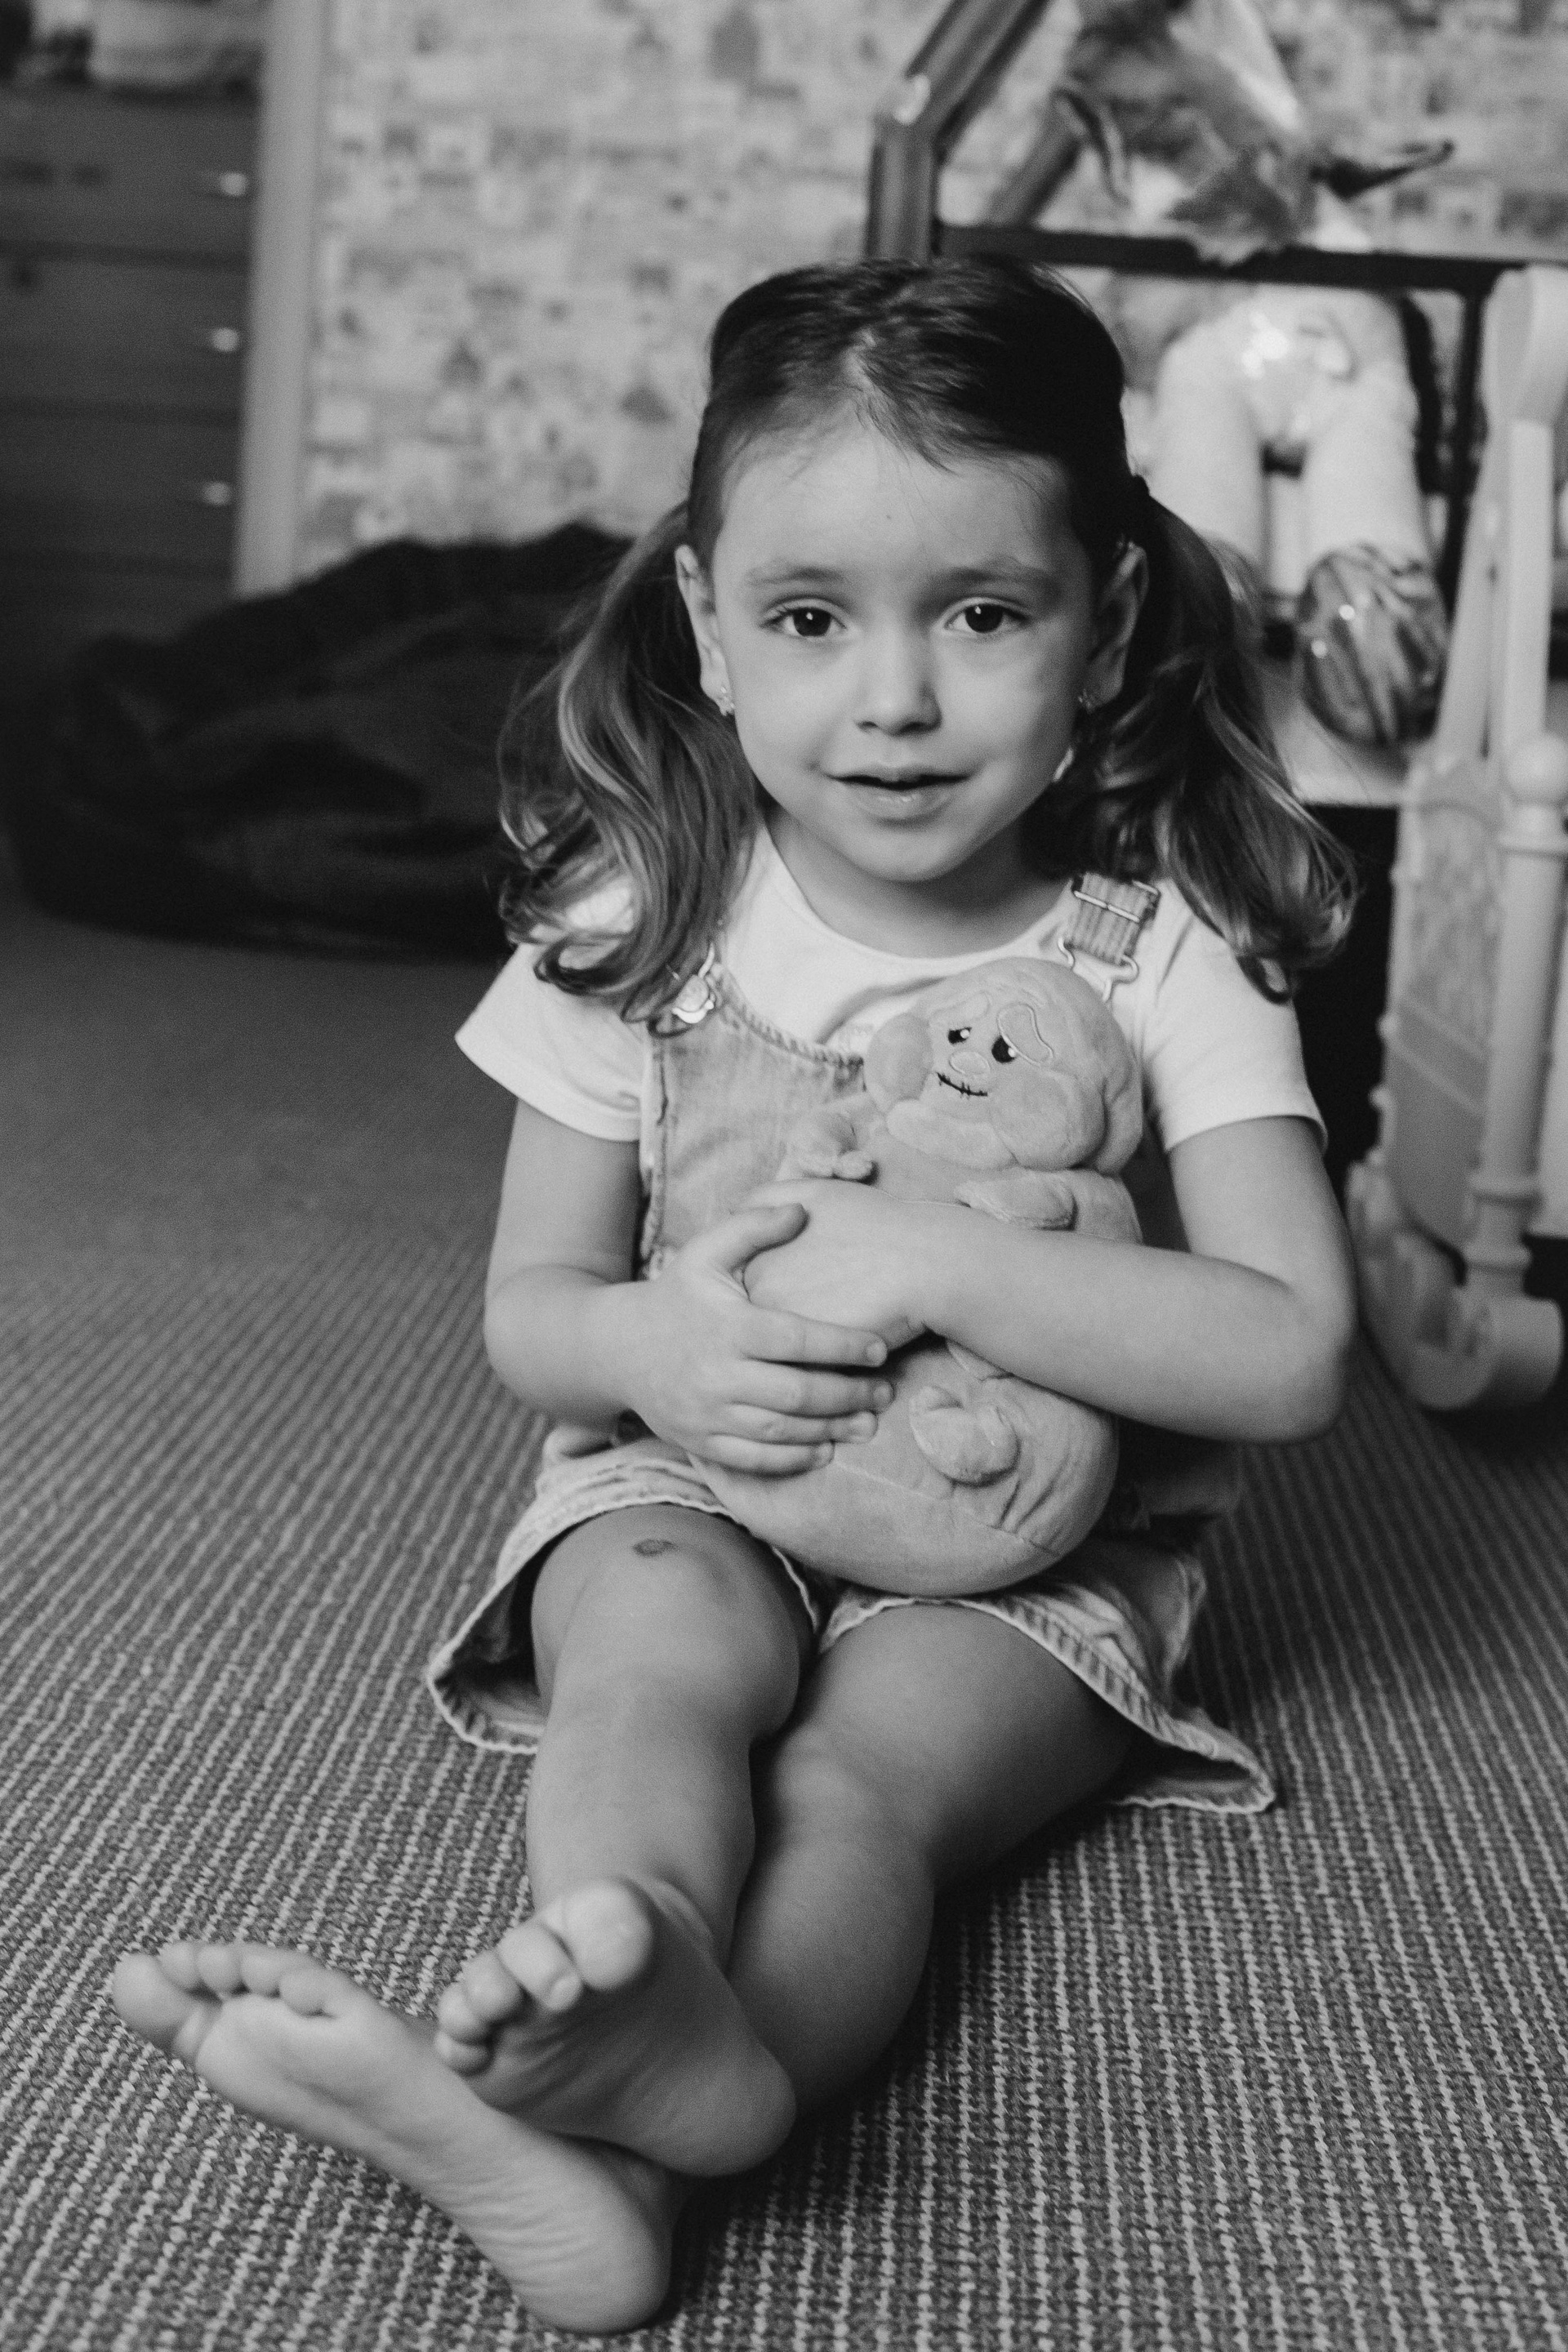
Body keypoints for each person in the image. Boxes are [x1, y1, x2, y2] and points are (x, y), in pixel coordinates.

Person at [111, 256, 1359, 2332]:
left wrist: (941, 1258)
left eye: (985, 614)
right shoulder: (645, 915)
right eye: (808, 618)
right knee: (653, 1667)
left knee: (863, 1786)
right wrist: (655, 1351)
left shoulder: (1165, 950)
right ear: (705, 621)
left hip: (1029, 1559)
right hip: (694, 1474)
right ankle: (638, 1997)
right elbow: (534, 1310)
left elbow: (1294, 1349)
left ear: (1111, 620)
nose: (894, 699)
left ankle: (666, 2117)